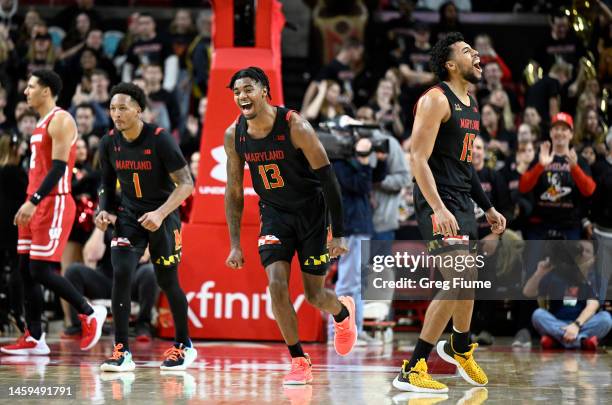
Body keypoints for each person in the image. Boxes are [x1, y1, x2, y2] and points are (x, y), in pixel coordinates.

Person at [224, 67, 357, 386]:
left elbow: (329, 180)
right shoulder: (235, 135)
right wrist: (234, 244)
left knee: (314, 295)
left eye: (249, 88)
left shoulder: (295, 126)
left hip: (311, 212)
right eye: (237, 91)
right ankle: (298, 359)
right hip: (274, 214)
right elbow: (234, 190)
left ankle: (341, 312)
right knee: (277, 285)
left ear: (265, 91)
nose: (242, 95)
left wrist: (337, 232)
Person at [392, 33, 506, 393]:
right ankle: (413, 367)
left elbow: (466, 167)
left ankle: (460, 344)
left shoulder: (470, 102)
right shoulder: (435, 100)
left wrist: (487, 206)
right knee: (459, 278)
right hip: (436, 201)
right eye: (467, 51)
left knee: (467, 279)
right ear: (450, 64)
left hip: (460, 202)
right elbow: (417, 159)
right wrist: (438, 208)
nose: (477, 56)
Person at [1, 69, 107, 356]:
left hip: (54, 201)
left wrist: (33, 201)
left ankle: (89, 312)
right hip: (34, 203)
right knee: (24, 270)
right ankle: (35, 337)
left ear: (45, 90)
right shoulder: (40, 123)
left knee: (40, 269)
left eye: (31, 86)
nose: (25, 92)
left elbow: (60, 168)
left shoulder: (61, 119)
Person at [95, 82, 196, 371]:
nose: (116, 114)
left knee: (168, 281)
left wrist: (161, 213)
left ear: (139, 110)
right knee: (122, 271)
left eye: (123, 108)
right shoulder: (108, 142)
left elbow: (187, 184)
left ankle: (183, 344)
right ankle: (122, 351)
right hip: (129, 218)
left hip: (163, 216)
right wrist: (103, 211)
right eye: (113, 108)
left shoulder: (160, 139)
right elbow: (104, 185)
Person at [62, 227, 158, 342]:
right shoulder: (107, 223)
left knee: (150, 271)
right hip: (106, 281)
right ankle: (79, 326)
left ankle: (143, 324)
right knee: (73, 271)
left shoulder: (140, 221)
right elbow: (91, 255)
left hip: (131, 281)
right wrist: (100, 227)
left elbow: (143, 256)